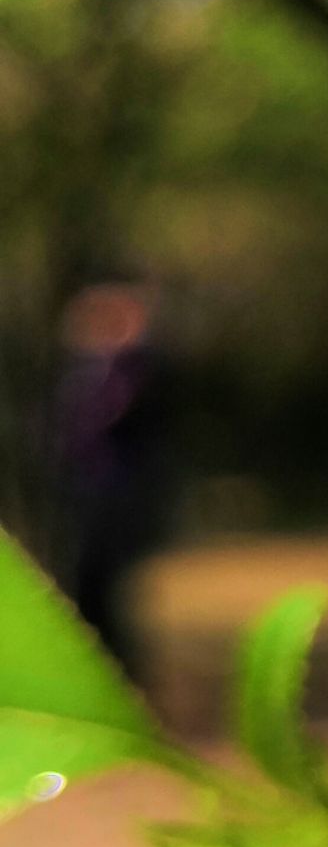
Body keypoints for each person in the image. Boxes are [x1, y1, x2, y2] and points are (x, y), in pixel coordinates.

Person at [50, 279, 171, 681]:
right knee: (88, 589)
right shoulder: (84, 374)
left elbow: (122, 419)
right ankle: (97, 665)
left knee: (109, 590)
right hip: (85, 497)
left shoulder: (135, 370)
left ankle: (120, 674)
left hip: (119, 499)